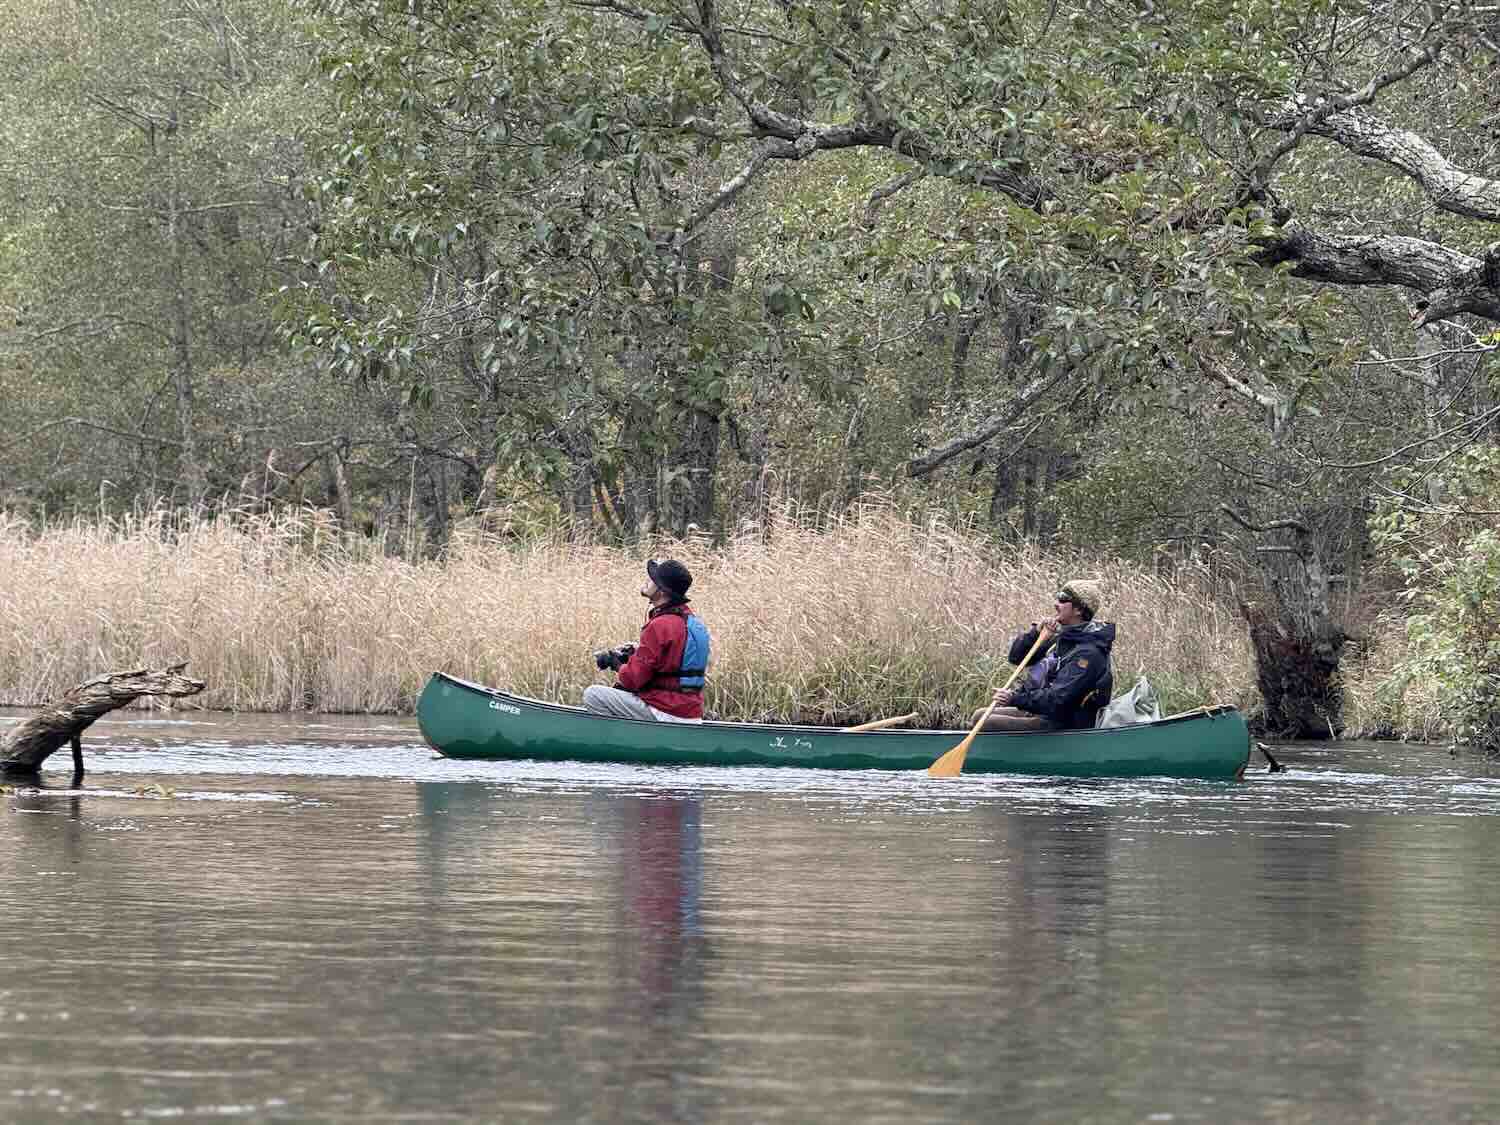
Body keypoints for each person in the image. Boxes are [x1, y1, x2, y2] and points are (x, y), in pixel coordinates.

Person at [974, 579, 1115, 732]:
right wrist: (1036, 633)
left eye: (1063, 599)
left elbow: (1058, 699)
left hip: (1066, 722)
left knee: (987, 723)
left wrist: (1014, 699)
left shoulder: (1089, 653)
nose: (1056, 604)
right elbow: (1016, 658)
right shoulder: (1062, 637)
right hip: (1045, 712)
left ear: (1078, 610)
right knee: (979, 716)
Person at [582, 558, 710, 723]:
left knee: (593, 695)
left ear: (662, 592)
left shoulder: (659, 625)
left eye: (653, 580)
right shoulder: (693, 622)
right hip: (690, 713)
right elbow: (673, 661)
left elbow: (632, 680)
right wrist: (634, 654)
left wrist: (615, 663)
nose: (648, 580)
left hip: (666, 711)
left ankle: (622, 745)